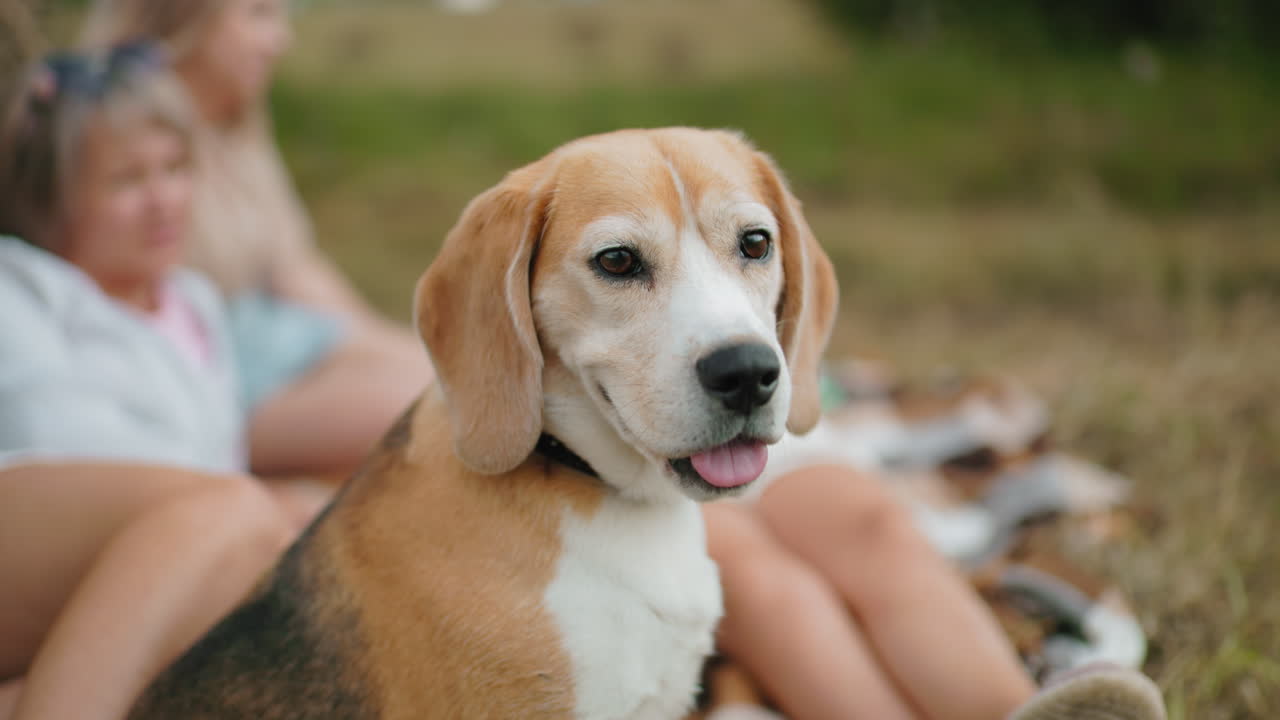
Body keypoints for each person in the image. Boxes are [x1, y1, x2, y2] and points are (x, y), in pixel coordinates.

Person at [0, 44, 323, 720]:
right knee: (242, 517)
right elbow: (65, 444)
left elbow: (212, 462)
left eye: (175, 169)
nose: (163, 201)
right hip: (42, 542)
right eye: (126, 181)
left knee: (269, 531)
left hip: (151, 569)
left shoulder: (194, 306)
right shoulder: (22, 294)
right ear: (52, 195)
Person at [81, 0, 432, 478]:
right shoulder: (116, 131)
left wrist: (384, 343)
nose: (281, 40)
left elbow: (292, 265)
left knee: (451, 380)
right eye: (258, 14)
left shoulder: (237, 117)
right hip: (201, 375)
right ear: (186, 18)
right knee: (437, 409)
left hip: (272, 340)